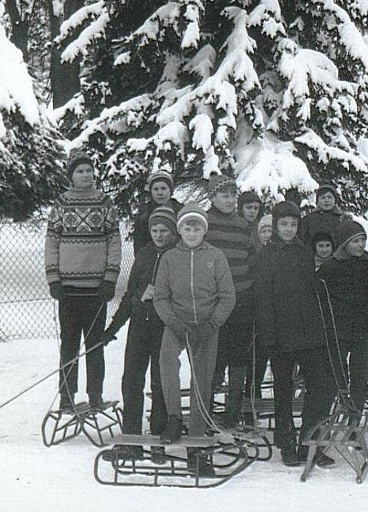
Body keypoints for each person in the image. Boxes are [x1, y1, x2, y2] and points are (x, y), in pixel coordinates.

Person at [153, 202, 235, 472]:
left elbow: (227, 296)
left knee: (202, 378)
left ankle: (197, 441)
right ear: (180, 230)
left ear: (204, 231)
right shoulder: (169, 258)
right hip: (178, 323)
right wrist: (174, 322)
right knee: (167, 361)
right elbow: (161, 297)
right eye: (187, 227)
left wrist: (213, 323)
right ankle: (174, 418)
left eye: (196, 228)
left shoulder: (215, 256)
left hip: (207, 326)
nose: (191, 233)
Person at [254, 201, 336, 467]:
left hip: (308, 332)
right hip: (280, 335)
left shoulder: (303, 252)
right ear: (275, 225)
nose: (289, 229)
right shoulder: (267, 255)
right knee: (283, 391)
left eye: (293, 224)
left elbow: (310, 290)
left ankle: (311, 442)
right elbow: (263, 299)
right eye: (284, 224)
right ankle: (287, 442)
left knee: (319, 386)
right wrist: (268, 337)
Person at [45, 151, 121, 411]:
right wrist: (53, 278)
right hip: (68, 289)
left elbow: (114, 240)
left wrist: (110, 278)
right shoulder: (61, 203)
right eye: (80, 171)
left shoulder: (104, 202)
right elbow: (51, 241)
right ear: (71, 176)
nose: (85, 175)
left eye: (89, 170)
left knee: (95, 345)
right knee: (69, 345)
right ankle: (67, 396)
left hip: (96, 288)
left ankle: (95, 394)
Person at [102, 206, 178, 455]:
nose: (158, 235)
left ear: (173, 231)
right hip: (138, 327)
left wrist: (159, 300)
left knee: (160, 383)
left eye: (164, 230)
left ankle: (158, 440)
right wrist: (112, 328)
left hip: (163, 328)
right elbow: (131, 294)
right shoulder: (144, 255)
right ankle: (131, 441)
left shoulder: (177, 256)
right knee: (132, 381)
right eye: (154, 230)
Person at [204, 174, 257, 428]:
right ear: (212, 197)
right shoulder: (205, 224)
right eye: (224, 195)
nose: (230, 200)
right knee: (213, 359)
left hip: (241, 301)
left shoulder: (242, 225)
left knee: (238, 359)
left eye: (233, 195)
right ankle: (204, 413)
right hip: (213, 303)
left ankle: (232, 414)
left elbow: (252, 258)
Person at [317, 221, 368, 413]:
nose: (361, 245)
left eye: (363, 240)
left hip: (363, 332)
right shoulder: (330, 267)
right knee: (334, 377)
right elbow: (320, 298)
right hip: (338, 333)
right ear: (344, 243)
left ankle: (355, 419)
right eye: (355, 241)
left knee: (359, 379)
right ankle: (325, 417)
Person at [133, 170, 182, 256]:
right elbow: (139, 244)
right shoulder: (144, 215)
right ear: (151, 191)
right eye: (156, 189)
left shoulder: (181, 212)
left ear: (170, 190)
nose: (159, 193)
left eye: (163, 188)